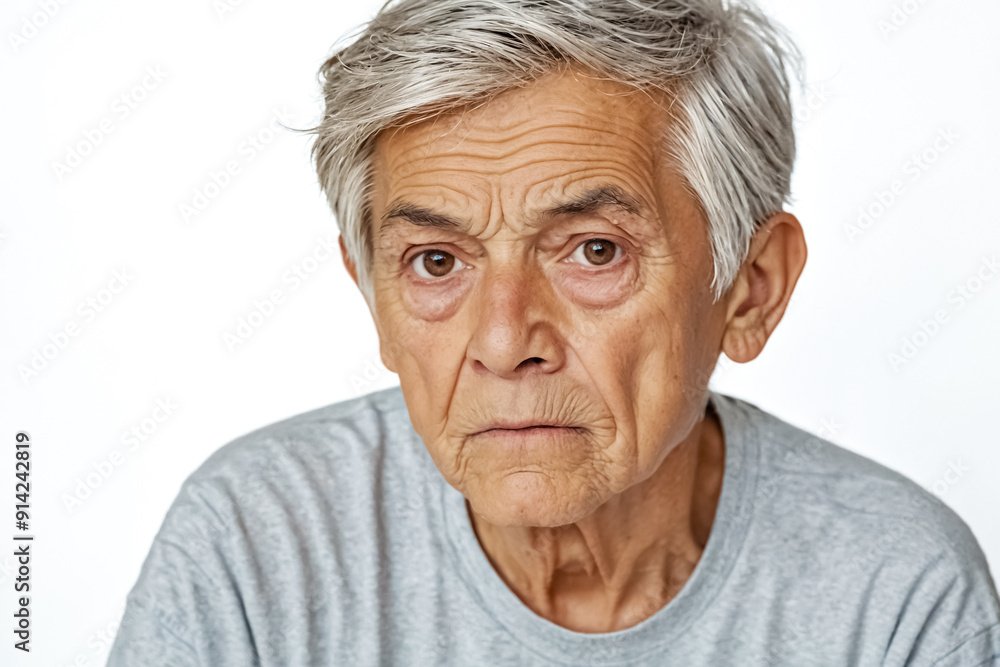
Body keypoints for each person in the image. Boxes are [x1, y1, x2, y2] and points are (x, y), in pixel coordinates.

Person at [107, 0, 1000, 664]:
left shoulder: (896, 593)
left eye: (594, 250)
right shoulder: (254, 541)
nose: (503, 340)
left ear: (750, 289)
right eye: (435, 262)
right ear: (371, 292)